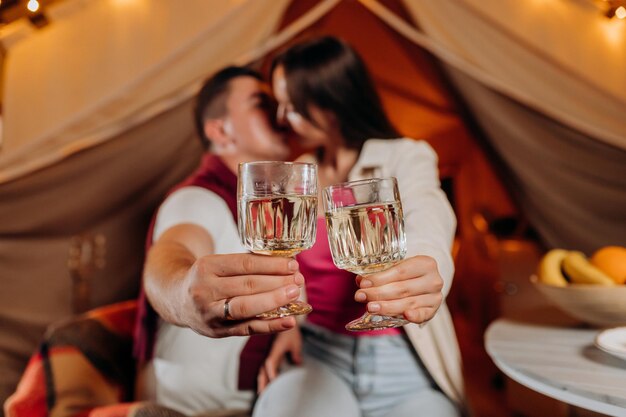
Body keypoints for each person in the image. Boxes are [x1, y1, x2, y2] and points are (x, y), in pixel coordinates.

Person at [252, 36, 465, 417]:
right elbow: (284, 265)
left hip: (401, 359)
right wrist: (288, 326)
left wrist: (430, 269)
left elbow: (430, 217)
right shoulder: (300, 171)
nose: (283, 118)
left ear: (330, 101)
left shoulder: (404, 156)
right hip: (318, 353)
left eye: (293, 106)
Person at [134, 66, 306, 415]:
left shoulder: (280, 210)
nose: (278, 112)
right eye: (261, 102)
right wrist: (184, 298)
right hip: (193, 403)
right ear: (220, 130)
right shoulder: (197, 198)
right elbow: (172, 254)